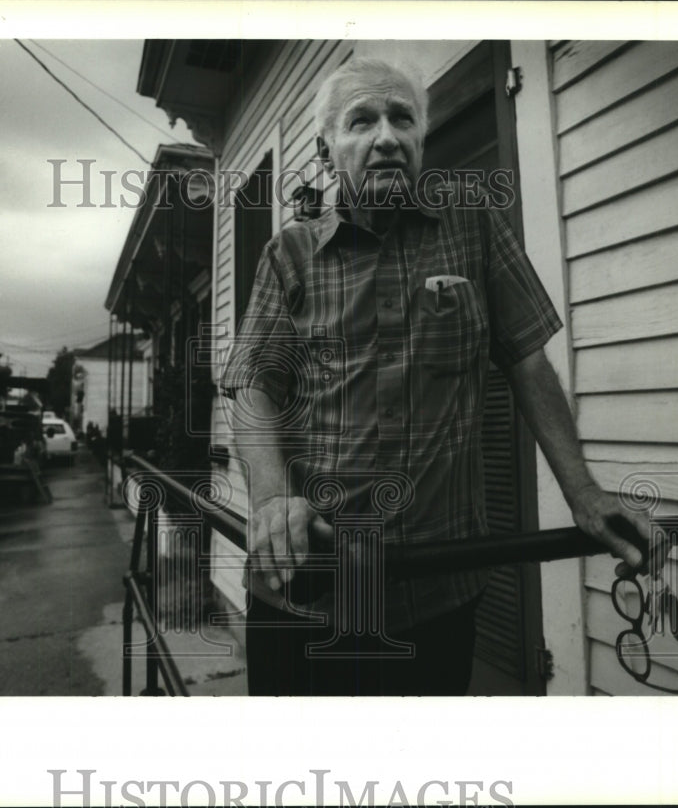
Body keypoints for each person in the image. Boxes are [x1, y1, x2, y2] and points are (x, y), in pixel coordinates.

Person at [220, 58, 653, 696]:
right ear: (324, 149)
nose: (387, 136)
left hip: (439, 591)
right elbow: (252, 386)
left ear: (421, 138)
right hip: (308, 589)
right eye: (361, 121)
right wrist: (271, 500)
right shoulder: (288, 254)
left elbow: (528, 359)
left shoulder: (473, 227)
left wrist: (583, 494)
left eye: (403, 118)